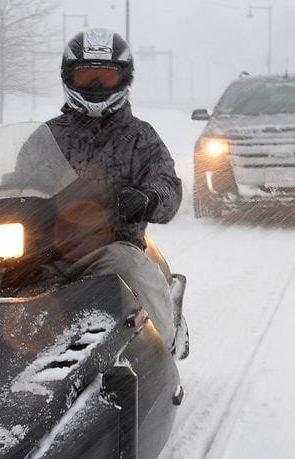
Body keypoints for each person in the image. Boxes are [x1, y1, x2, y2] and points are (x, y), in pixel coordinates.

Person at [46, 28, 182, 346]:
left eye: (104, 77)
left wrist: (147, 198)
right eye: (86, 76)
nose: (95, 86)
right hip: (45, 246)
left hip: (110, 243)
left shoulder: (140, 137)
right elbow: (14, 179)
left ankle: (165, 344)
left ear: (122, 79)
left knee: (130, 264)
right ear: (69, 78)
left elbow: (167, 184)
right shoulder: (48, 135)